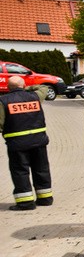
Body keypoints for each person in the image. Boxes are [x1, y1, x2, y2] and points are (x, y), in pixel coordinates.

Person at [0, 76, 53, 210]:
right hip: (38, 141)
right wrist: (25, 89)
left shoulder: (3, 101)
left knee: (20, 172)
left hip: (17, 144)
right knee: (41, 169)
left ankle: (26, 203)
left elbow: (0, 123)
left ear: (7, 87)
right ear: (23, 86)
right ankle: (45, 199)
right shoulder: (35, 96)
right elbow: (44, 87)